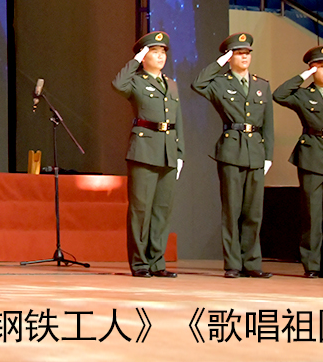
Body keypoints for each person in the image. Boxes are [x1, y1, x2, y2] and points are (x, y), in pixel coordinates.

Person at [190, 31, 274, 278]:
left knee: (253, 212)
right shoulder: (220, 83)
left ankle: (252, 263)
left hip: (256, 151)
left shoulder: (261, 85)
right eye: (238, 53)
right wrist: (220, 62)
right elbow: (198, 83)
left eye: (247, 53)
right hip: (231, 150)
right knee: (232, 210)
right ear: (230, 57)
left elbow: (268, 124)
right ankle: (233, 264)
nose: (244, 57)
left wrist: (268, 155)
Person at [274, 44, 323, 279]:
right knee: (312, 214)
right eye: (320, 67)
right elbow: (279, 94)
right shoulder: (303, 95)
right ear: (312, 69)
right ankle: (311, 264)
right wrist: (303, 76)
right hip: (311, 158)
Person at [113, 30, 183, 278]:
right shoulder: (136, 81)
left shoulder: (171, 84)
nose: (161, 56)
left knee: (162, 210)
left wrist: (180, 153)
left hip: (168, 151)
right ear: (144, 56)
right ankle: (140, 262)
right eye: (154, 51)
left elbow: (178, 121)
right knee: (140, 210)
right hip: (143, 150)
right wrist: (135, 60)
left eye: (163, 52)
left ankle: (156, 262)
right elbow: (118, 85)